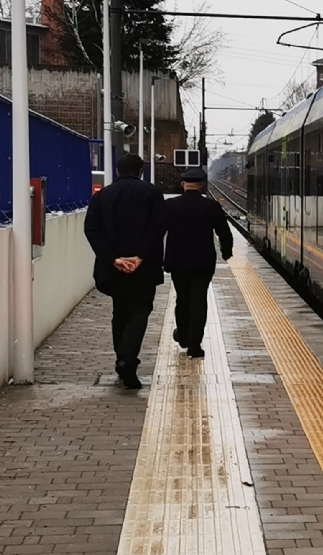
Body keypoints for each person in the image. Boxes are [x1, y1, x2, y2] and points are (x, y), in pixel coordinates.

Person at [84, 152, 166, 389]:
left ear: (118, 170)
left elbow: (92, 228)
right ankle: (127, 359)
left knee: (120, 312)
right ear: (141, 171)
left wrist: (114, 258)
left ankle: (122, 357)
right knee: (140, 311)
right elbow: (158, 227)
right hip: (144, 268)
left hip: (113, 270)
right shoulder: (152, 194)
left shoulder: (103, 196)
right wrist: (139, 257)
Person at [163, 167, 233, 359]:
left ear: (182, 184)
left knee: (182, 298)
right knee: (199, 300)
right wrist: (226, 252)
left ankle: (183, 335)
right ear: (201, 185)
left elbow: (157, 231)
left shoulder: (170, 206)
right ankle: (195, 345)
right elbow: (224, 233)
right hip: (203, 262)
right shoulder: (211, 207)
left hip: (177, 262)